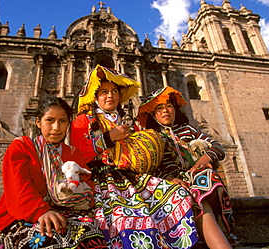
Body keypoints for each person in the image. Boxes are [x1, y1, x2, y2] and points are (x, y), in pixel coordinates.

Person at [70, 65, 199, 248]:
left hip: (135, 178)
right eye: (104, 92)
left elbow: (147, 154)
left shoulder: (130, 122)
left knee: (178, 195)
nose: (110, 96)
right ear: (95, 96)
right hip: (101, 181)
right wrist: (108, 138)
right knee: (125, 219)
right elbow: (77, 153)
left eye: (114, 91)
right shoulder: (83, 121)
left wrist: (169, 176)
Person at [0, 97, 106, 249]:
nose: (56, 127)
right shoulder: (21, 148)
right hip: (21, 219)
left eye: (62, 121)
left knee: (92, 233)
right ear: (38, 122)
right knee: (51, 239)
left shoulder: (73, 154)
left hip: (67, 217)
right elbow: (17, 187)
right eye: (50, 120)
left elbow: (88, 185)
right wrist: (41, 212)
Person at [137, 86, 236, 249]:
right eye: (159, 108)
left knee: (204, 180)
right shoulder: (153, 138)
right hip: (174, 183)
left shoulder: (188, 130)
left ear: (175, 109)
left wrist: (205, 158)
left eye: (169, 106)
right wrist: (170, 178)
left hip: (199, 179)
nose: (165, 111)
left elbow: (217, 146)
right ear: (153, 115)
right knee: (197, 199)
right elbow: (152, 166)